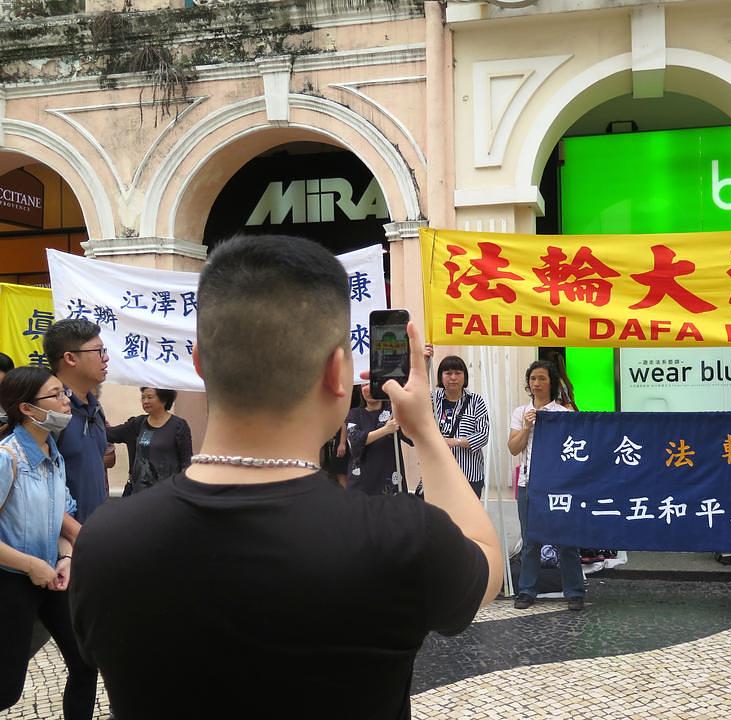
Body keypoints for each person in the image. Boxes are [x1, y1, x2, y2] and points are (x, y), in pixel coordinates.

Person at [69, 234, 502, 720]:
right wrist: (425, 431)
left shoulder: (105, 541)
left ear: (198, 362)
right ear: (338, 373)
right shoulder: (401, 535)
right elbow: (486, 559)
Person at [0, 367, 96, 719]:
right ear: (26, 408)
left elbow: (58, 517)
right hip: (11, 581)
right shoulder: (7, 457)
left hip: (51, 576)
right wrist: (29, 565)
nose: (65, 400)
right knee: (7, 687)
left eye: (64, 392)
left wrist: (66, 556)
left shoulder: (52, 454)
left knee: (86, 661)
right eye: (55, 394)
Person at [508, 359, 585, 611]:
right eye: (533, 379)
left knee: (567, 538)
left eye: (542, 378)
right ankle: (527, 590)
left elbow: (574, 450)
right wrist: (527, 427)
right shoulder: (521, 412)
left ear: (551, 382)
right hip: (528, 483)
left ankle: (574, 591)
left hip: (559, 485)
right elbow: (513, 448)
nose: (537, 383)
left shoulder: (564, 414)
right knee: (531, 540)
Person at [42, 319, 109, 523]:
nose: (106, 358)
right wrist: (75, 536)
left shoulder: (95, 408)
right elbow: (36, 491)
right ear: (70, 358)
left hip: (96, 534)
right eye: (98, 351)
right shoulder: (48, 410)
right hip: (64, 546)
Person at [107, 388, 193, 495]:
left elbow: (186, 462)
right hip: (138, 493)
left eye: (150, 397)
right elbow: (109, 434)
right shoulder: (137, 424)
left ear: (164, 399)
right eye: (143, 397)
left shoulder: (178, 426)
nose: (145, 401)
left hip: (167, 493)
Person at [431, 354, 490, 498]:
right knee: (440, 519)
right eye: (448, 373)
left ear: (465, 377)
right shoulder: (431, 400)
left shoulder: (476, 401)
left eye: (458, 373)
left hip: (469, 475)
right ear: (440, 376)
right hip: (438, 474)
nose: (453, 377)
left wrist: (455, 441)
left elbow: (483, 435)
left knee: (468, 519)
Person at [346, 382, 412, 495]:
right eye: (364, 385)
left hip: (389, 479)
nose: (368, 388)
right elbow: (354, 441)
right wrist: (385, 430)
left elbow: (411, 438)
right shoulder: (355, 414)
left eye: (372, 383)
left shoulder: (394, 411)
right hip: (362, 481)